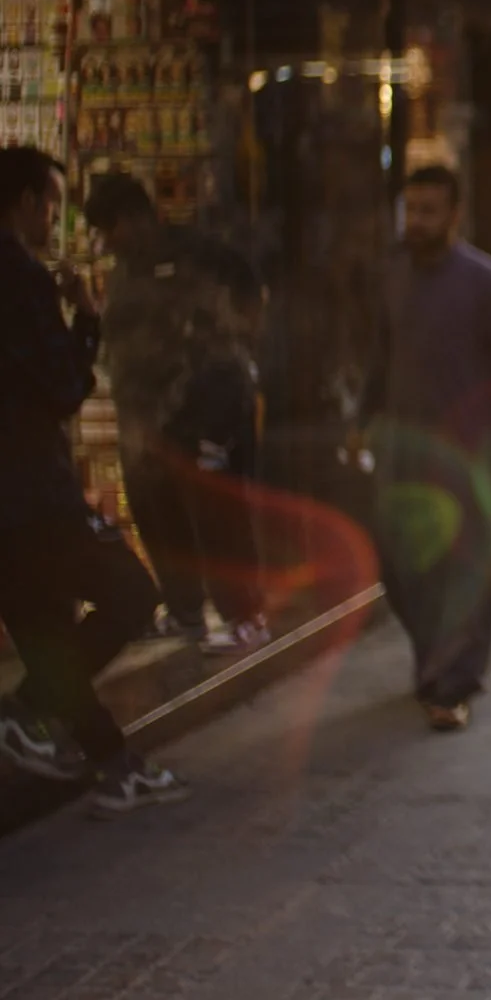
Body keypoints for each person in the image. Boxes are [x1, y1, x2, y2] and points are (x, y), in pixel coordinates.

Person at [0, 147, 188, 813]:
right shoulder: (20, 276)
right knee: (132, 593)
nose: (54, 220)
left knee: (47, 633)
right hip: (28, 489)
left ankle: (115, 766)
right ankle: (24, 712)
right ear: (24, 202)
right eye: (51, 205)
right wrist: (84, 318)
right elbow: (62, 388)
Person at [358, 166, 491, 732]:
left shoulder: (486, 282)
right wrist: (363, 418)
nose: (416, 221)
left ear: (455, 215)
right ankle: (437, 662)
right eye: (410, 209)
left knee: (464, 570)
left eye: (428, 211)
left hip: (470, 453)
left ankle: (455, 682)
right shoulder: (390, 273)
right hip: (402, 449)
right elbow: (379, 353)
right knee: (401, 568)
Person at [83, 171, 270, 655]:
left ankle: (247, 616)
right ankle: (185, 612)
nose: (109, 241)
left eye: (112, 228)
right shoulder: (125, 271)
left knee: (218, 516)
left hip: (207, 410)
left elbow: (251, 298)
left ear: (137, 218)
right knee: (158, 515)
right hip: (145, 418)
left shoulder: (199, 253)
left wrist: (227, 354)